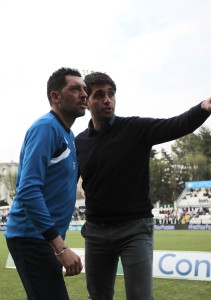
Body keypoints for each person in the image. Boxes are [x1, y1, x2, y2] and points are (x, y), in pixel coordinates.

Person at [75, 72, 211, 300]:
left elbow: (175, 125)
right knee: (97, 297)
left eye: (111, 94)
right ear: (87, 102)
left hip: (135, 229)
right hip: (95, 232)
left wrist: (203, 107)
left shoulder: (135, 129)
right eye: (99, 95)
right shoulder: (79, 142)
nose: (107, 99)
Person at [4, 67, 87, 300]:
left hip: (42, 239)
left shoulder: (68, 135)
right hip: (31, 238)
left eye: (84, 90)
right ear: (56, 96)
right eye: (75, 89)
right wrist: (60, 247)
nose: (84, 94)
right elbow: (28, 190)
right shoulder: (46, 127)